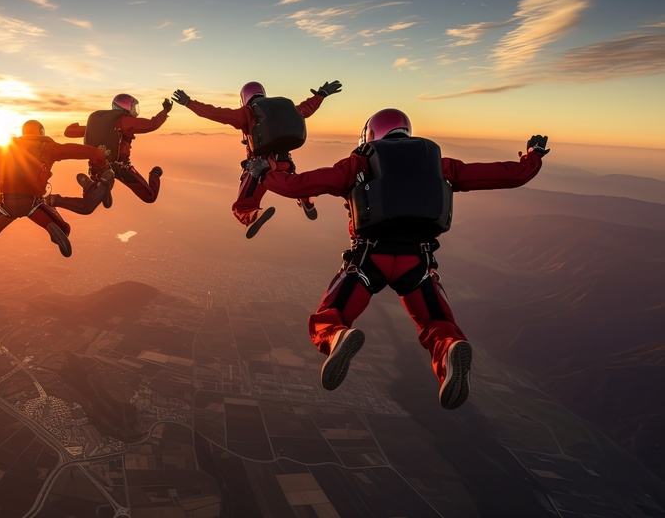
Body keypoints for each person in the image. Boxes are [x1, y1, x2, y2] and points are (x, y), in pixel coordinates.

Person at [264, 108, 550, 409]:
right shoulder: (437, 165)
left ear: (371, 133)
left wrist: (270, 170)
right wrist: (533, 156)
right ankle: (449, 348)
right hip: (417, 263)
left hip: (368, 259)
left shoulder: (357, 164)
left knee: (328, 316)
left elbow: (295, 186)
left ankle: (335, 337)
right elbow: (506, 175)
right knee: (437, 323)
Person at [171, 80, 342, 238]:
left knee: (242, 205)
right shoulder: (284, 111)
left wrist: (189, 103)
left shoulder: (247, 113)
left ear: (244, 98)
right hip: (285, 164)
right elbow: (306, 108)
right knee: (295, 184)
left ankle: (252, 216)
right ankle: (306, 198)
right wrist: (322, 94)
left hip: (261, 168)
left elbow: (216, 113)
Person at [0, 120, 111, 258]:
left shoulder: (7, 147)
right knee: (64, 228)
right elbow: (79, 151)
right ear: (40, 131)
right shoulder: (49, 146)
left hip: (6, 203)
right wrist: (99, 157)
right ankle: (54, 228)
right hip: (32, 204)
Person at [47, 93, 171, 214]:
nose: (134, 110)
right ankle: (154, 174)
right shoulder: (123, 121)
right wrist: (165, 111)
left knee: (93, 201)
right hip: (121, 168)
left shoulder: (99, 123)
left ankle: (93, 188)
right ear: (125, 107)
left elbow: (70, 133)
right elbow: (152, 125)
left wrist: (72, 127)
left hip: (98, 167)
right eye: (133, 107)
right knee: (150, 196)